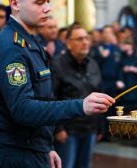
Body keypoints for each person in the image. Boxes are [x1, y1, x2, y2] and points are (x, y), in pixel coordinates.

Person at [0, 0, 114, 168]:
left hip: (32, 150)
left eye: (48, 1)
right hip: (14, 156)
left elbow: (43, 98)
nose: (48, 9)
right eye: (39, 2)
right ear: (15, 4)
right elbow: (23, 109)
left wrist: (46, 147)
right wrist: (81, 106)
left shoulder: (30, 41)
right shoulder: (11, 48)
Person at [52, 25, 103, 168]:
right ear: (68, 43)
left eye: (87, 38)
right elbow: (52, 98)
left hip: (90, 128)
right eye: (79, 39)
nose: (85, 42)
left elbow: (99, 93)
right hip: (68, 130)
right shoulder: (57, 64)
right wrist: (58, 128)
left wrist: (100, 126)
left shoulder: (93, 64)